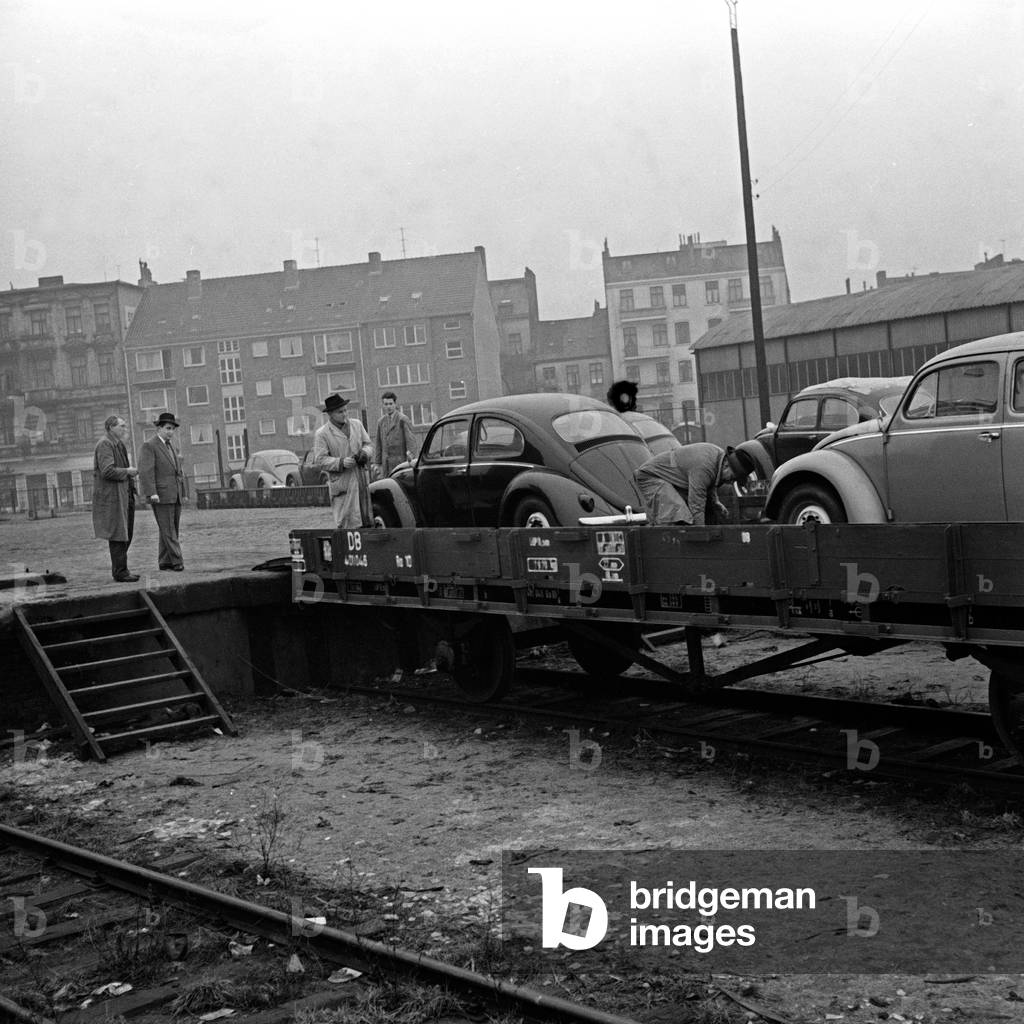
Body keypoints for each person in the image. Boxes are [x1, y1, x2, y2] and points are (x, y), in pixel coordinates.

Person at [635, 442, 757, 526]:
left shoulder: (718, 458)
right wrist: (702, 535)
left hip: (673, 480)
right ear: (726, 466)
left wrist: (716, 502)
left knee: (698, 513)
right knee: (677, 515)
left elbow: (709, 483)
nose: (731, 482)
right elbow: (697, 504)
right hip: (651, 477)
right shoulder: (704, 467)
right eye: (732, 477)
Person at [312, 393, 374, 528]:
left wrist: (364, 453)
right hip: (342, 484)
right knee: (346, 523)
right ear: (331, 414)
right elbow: (319, 459)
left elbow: (368, 444)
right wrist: (341, 462)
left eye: (346, 410)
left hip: (361, 478)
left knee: (366, 519)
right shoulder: (322, 434)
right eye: (340, 412)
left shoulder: (357, 425)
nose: (345, 414)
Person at [92, 415, 140, 582]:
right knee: (118, 535)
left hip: (125, 495)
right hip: (114, 497)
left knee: (127, 533)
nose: (124, 429)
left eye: (125, 426)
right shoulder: (105, 444)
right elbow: (107, 471)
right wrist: (127, 471)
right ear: (110, 427)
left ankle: (122, 569)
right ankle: (120, 572)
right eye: (121, 426)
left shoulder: (117, 444)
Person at [139, 412, 187, 571]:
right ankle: (177, 560)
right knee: (169, 530)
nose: (170, 432)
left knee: (170, 528)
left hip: (175, 494)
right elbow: (146, 471)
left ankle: (165, 561)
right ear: (158, 428)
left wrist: (183, 492)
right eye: (167, 428)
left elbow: (177, 471)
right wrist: (152, 492)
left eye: (173, 429)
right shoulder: (150, 445)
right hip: (161, 495)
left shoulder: (171, 445)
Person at [373, 391, 417, 478]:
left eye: (390, 403)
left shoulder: (402, 419)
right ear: (383, 405)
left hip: (400, 464)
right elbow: (378, 444)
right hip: (386, 465)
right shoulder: (381, 422)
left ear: (395, 404)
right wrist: (377, 463)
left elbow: (410, 441)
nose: (388, 406)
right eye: (386, 404)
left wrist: (410, 458)